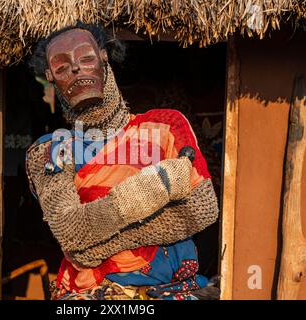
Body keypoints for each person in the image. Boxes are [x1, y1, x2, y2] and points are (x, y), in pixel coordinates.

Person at [26, 22, 219, 300]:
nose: (76, 68)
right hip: (91, 295)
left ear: (103, 57)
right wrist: (150, 191)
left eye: (86, 57)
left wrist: (96, 247)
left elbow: (202, 209)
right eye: (62, 66)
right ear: (50, 77)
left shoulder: (165, 126)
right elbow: (72, 231)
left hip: (174, 291)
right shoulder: (51, 150)